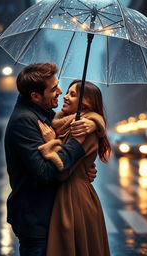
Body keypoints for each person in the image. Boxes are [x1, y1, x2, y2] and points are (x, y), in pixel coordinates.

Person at [4, 63, 99, 256]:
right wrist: (77, 144)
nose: (60, 91)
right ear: (35, 96)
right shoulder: (25, 121)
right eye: (54, 89)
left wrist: (81, 169)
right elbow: (45, 172)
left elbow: (58, 156)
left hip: (48, 215)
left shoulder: (43, 116)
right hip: (36, 219)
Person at [38, 80, 111, 256]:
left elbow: (63, 172)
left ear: (85, 102)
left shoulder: (83, 129)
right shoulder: (67, 124)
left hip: (73, 199)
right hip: (71, 194)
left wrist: (50, 141)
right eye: (68, 92)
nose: (65, 96)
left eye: (72, 94)